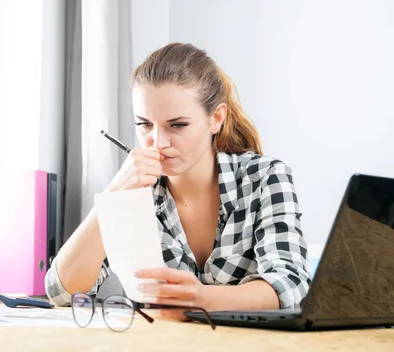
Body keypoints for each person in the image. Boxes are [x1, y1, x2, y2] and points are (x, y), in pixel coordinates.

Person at [45, 42, 311, 314]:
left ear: (216, 119)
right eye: (144, 124)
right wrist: (111, 199)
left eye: (178, 125)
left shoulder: (263, 178)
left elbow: (290, 283)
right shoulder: (133, 193)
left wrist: (202, 299)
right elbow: (62, 292)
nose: (157, 143)